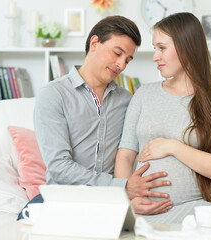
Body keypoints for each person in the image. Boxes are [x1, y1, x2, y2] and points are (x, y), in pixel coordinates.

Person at [17, 15, 173, 220]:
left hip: (108, 201)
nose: (121, 65)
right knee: (23, 223)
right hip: (62, 197)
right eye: (117, 53)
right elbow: (59, 166)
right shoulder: (54, 95)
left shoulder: (127, 101)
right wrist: (122, 186)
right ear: (94, 43)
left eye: (127, 60)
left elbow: (154, 136)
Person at [115, 12, 211, 224]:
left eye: (162, 48)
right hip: (145, 209)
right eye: (155, 48)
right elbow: (126, 155)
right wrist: (127, 199)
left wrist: (173, 146)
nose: (155, 56)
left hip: (202, 206)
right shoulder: (144, 95)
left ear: (186, 47)